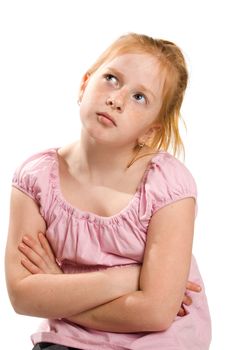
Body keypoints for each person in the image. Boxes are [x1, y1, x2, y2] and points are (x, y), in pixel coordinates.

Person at [5, 33, 211, 350]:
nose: (116, 99)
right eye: (112, 79)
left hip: (157, 341)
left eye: (139, 97)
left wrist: (59, 290)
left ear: (150, 131)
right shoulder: (36, 180)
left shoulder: (167, 184)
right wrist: (128, 278)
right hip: (68, 339)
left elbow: (156, 313)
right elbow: (23, 297)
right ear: (84, 84)